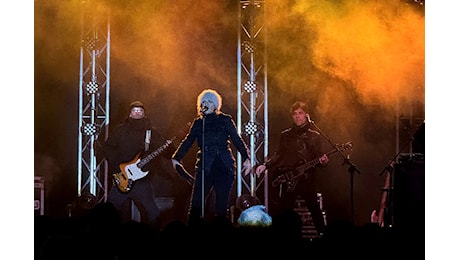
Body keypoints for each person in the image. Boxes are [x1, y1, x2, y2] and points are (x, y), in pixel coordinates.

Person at [171, 89, 251, 225]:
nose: (205, 104)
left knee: (220, 206)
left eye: (208, 101)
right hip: (204, 168)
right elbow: (188, 141)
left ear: (215, 105)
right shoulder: (198, 123)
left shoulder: (225, 120)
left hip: (224, 168)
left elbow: (236, 140)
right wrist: (176, 157)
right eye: (203, 102)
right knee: (196, 205)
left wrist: (246, 157)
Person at [255, 101, 329, 235]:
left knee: (314, 209)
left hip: (307, 180)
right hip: (290, 178)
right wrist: (265, 165)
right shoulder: (286, 135)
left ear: (307, 115)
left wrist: (323, 162)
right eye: (294, 114)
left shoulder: (314, 136)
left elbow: (319, 158)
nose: (297, 116)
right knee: (284, 210)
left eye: (300, 113)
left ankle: (322, 234)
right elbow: (279, 155)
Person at [103, 100, 176, 230]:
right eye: (134, 111)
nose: (137, 113)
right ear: (130, 114)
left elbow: (166, 151)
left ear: (144, 114)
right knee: (109, 212)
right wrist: (117, 169)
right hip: (122, 179)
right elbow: (108, 148)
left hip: (143, 181)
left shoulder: (151, 133)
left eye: (140, 111)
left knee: (152, 212)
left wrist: (171, 149)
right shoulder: (120, 130)